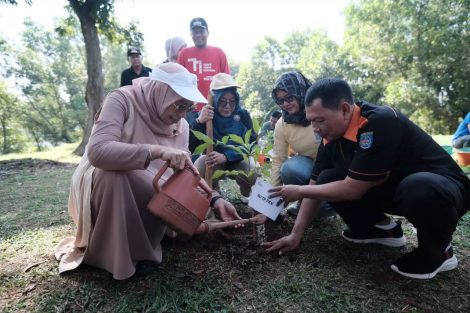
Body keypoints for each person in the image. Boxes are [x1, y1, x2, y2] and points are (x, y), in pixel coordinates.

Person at [263, 78, 470, 280]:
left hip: (442, 190)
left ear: (344, 109)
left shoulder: (380, 122)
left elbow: (352, 190)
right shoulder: (330, 138)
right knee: (328, 177)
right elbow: (315, 183)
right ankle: (380, 230)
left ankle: (438, 252)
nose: (315, 128)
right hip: (396, 188)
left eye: (320, 120)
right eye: (311, 121)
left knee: (418, 187)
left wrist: (298, 191)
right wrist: (295, 235)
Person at [55, 63, 242, 280]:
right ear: (160, 91)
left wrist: (215, 199)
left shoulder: (181, 125)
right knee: (116, 176)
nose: (181, 115)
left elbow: (186, 172)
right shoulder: (122, 99)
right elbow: (98, 152)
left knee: (158, 190)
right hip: (104, 178)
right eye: (179, 105)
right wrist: (156, 151)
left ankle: (151, 237)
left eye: (188, 108)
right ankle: (120, 255)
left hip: (156, 183)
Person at [270, 71, 333, 217]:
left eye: (289, 97)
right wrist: (274, 196)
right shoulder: (282, 124)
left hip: (334, 170)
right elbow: (278, 158)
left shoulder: (321, 110)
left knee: (323, 207)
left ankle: (329, 203)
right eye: (280, 100)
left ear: (300, 92)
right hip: (310, 170)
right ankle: (306, 202)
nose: (285, 104)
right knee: (289, 168)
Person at [191, 73, 257, 198]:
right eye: (222, 102)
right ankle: (212, 191)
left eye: (232, 102)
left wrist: (227, 156)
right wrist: (199, 122)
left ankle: (247, 192)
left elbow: (252, 144)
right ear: (215, 100)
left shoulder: (242, 115)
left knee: (251, 169)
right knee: (200, 164)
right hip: (213, 163)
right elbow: (191, 146)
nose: (228, 107)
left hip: (237, 160)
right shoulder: (206, 115)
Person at [177, 17, 230, 127]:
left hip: (215, 109)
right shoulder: (184, 54)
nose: (198, 35)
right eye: (195, 32)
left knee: (217, 143)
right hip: (191, 110)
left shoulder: (219, 53)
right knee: (191, 142)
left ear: (208, 33)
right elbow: (178, 83)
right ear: (191, 34)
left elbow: (228, 84)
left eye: (201, 31)